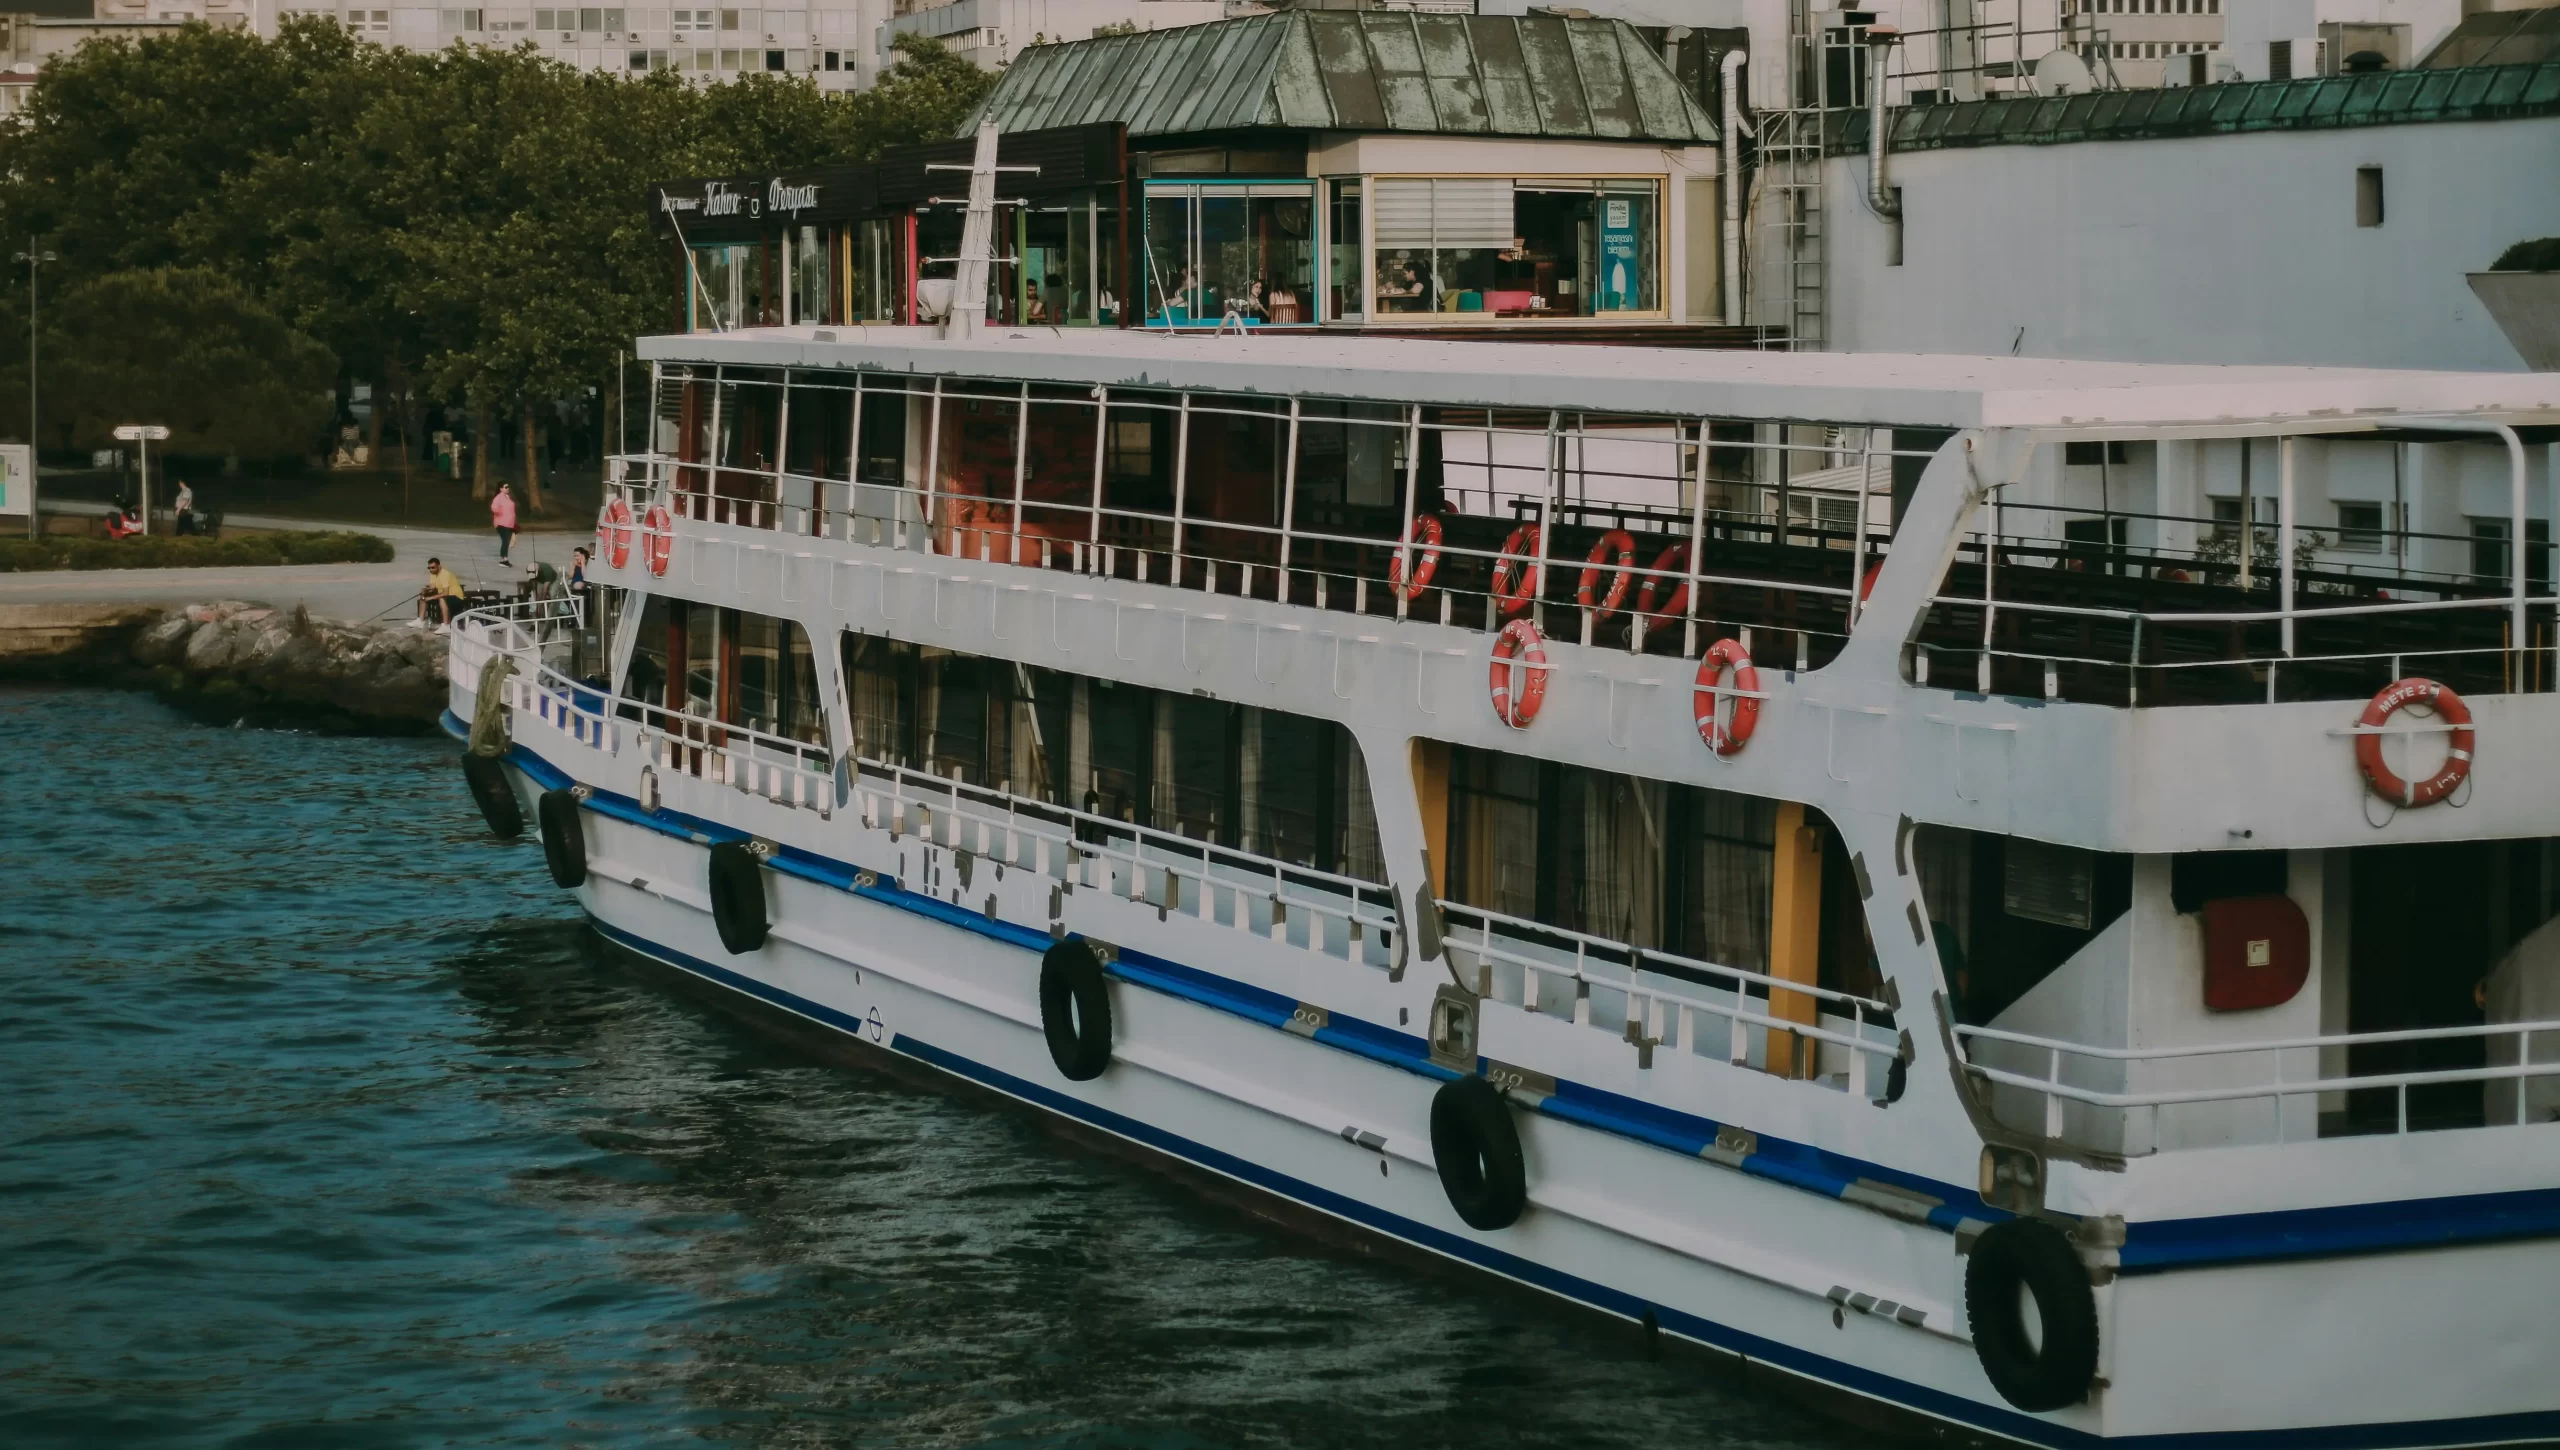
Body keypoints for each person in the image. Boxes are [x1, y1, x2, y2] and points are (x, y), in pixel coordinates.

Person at [418, 556, 464, 627]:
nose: (431, 570)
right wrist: (426, 590)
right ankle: (420, 621)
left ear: (439, 566)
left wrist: (430, 598)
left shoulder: (444, 574)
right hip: (446, 596)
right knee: (423, 597)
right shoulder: (433, 574)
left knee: (442, 598)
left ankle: (445, 625)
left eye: (433, 567)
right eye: (429, 568)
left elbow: (445, 593)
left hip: (457, 598)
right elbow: (432, 588)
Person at [490, 481, 518, 564]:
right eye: (506, 487)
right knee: (506, 540)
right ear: (501, 489)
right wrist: (499, 512)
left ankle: (504, 558)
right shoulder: (499, 497)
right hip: (501, 523)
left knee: (507, 540)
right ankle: (504, 559)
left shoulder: (507, 497)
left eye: (508, 487)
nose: (507, 488)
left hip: (509, 523)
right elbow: (494, 507)